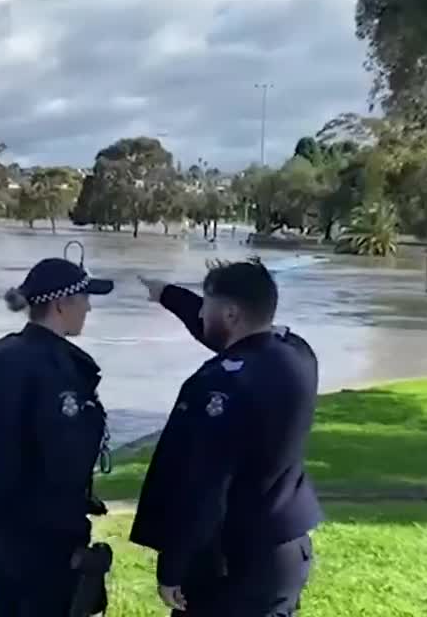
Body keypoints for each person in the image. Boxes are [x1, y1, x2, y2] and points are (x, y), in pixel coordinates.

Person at [130, 259, 323, 616]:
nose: (200, 314)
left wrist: (173, 565)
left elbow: (205, 485)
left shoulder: (219, 386)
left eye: (206, 306)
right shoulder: (299, 358)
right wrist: (169, 296)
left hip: (232, 563)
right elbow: (239, 341)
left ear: (232, 313)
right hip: (285, 550)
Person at [0, 254, 116, 616]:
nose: (88, 308)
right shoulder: (58, 372)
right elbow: (64, 459)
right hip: (44, 538)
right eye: (84, 299)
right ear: (60, 304)